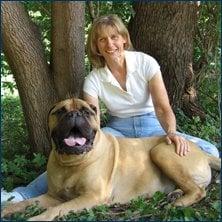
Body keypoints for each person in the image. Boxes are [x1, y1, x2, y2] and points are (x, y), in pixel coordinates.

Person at [1, 14, 219, 206]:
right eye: (102, 39)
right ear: (96, 46)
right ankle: (21, 195)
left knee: (208, 150)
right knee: (84, 155)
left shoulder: (145, 62)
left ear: (124, 39)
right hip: (119, 129)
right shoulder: (94, 79)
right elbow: (90, 119)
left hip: (153, 124)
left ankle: (189, 180)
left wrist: (171, 133)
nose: (110, 43)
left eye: (114, 37)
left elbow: (162, 107)